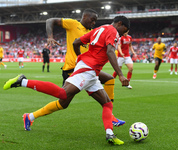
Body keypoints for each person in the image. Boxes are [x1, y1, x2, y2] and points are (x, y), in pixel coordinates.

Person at [3, 16, 130, 145]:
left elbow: (76, 42)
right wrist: (120, 74)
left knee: (107, 104)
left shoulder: (100, 29)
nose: (123, 33)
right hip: (87, 69)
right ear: (120, 23)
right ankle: (22, 81)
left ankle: (110, 134)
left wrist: (80, 58)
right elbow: (110, 51)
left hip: (91, 71)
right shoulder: (113, 31)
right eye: (124, 30)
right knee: (62, 94)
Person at [46, 8, 125, 126]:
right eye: (92, 20)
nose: (93, 23)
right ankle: (31, 112)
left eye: (95, 21)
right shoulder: (73, 24)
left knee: (109, 80)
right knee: (63, 102)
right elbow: (49, 20)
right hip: (72, 68)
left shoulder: (93, 32)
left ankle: (111, 117)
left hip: (87, 69)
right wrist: (50, 37)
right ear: (84, 17)